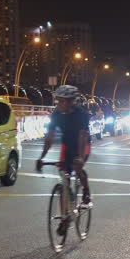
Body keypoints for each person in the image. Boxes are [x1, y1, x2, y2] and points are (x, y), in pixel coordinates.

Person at [38, 85, 93, 222]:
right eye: (59, 101)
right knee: (64, 178)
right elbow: (49, 137)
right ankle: (64, 218)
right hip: (67, 144)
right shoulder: (56, 114)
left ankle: (86, 190)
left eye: (65, 101)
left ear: (72, 101)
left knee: (77, 166)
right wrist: (42, 157)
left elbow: (82, 136)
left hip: (83, 144)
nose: (62, 104)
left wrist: (80, 158)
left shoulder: (81, 114)